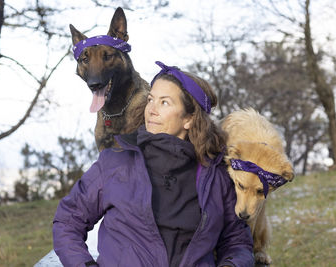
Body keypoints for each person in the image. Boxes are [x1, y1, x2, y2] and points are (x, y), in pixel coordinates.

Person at [52, 61, 254, 267]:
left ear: (189, 119)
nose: (151, 110)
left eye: (164, 102)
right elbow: (67, 222)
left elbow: (236, 240)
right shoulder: (115, 163)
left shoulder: (216, 177)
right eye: (151, 100)